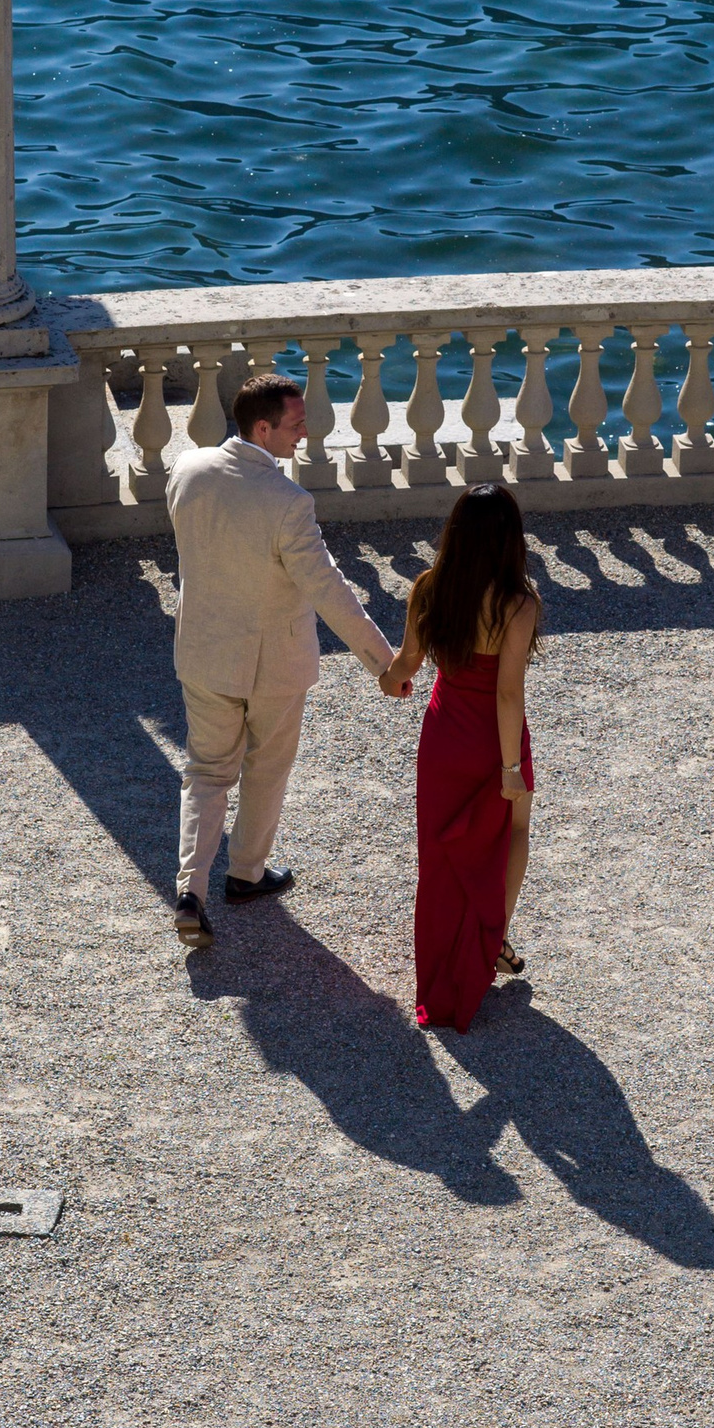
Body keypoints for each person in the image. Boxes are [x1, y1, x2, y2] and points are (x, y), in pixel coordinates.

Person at [164, 372, 398, 948]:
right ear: (262, 428)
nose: (306, 432)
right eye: (296, 424)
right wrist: (383, 661)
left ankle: (190, 889)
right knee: (265, 769)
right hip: (273, 665)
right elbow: (328, 590)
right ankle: (245, 874)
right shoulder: (288, 502)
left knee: (205, 773)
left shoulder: (186, 470)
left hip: (203, 652)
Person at [381, 484, 540, 1031]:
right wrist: (511, 768)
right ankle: (492, 940)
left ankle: (449, 964)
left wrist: (387, 679)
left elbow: (407, 663)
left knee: (440, 855)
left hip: (445, 736)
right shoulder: (518, 603)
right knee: (511, 829)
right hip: (494, 741)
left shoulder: (430, 587)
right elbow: (507, 693)